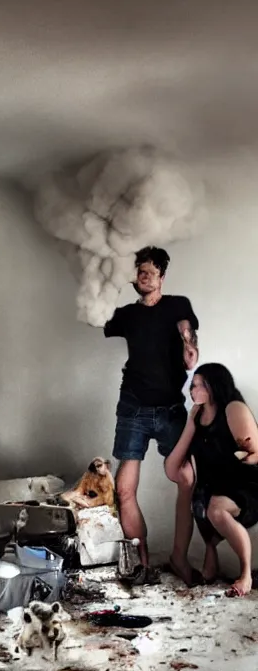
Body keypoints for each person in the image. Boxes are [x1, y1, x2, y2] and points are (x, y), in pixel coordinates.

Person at [103, 246, 199, 585]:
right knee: (124, 490)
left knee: (187, 479)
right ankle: (143, 564)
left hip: (171, 409)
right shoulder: (127, 314)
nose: (142, 277)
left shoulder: (177, 305)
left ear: (161, 276)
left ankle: (179, 558)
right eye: (138, 272)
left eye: (149, 272)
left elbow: (186, 327)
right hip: (133, 407)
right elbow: (96, 314)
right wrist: (109, 274)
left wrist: (189, 345)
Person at [164, 363, 258, 597]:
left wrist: (241, 454)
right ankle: (209, 556)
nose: (192, 391)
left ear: (213, 387)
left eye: (198, 385)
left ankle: (245, 573)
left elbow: (254, 454)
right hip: (213, 488)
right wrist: (190, 423)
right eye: (192, 385)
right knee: (200, 498)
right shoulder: (198, 414)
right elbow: (172, 469)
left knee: (215, 508)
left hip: (246, 486)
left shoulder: (233, 408)